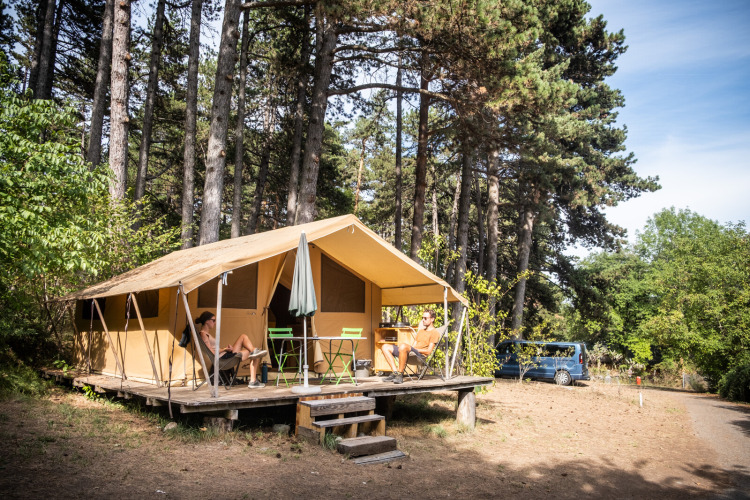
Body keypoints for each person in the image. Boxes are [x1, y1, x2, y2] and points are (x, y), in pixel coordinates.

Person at [186, 311, 268, 388]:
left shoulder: (206, 334)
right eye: (213, 320)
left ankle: (254, 352)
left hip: (224, 355)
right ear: (207, 321)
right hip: (222, 359)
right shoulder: (203, 335)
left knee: (243, 337)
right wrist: (225, 349)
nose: (215, 323)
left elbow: (214, 349)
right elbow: (211, 352)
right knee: (253, 352)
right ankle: (253, 381)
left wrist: (226, 349)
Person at [380, 309, 440, 384]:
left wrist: (412, 349)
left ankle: (400, 374)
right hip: (411, 354)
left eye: (425, 318)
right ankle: (395, 373)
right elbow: (413, 345)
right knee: (385, 346)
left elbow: (428, 351)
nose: (423, 320)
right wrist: (407, 349)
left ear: (432, 319)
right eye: (422, 318)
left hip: (420, 357)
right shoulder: (421, 331)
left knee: (403, 346)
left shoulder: (434, 333)